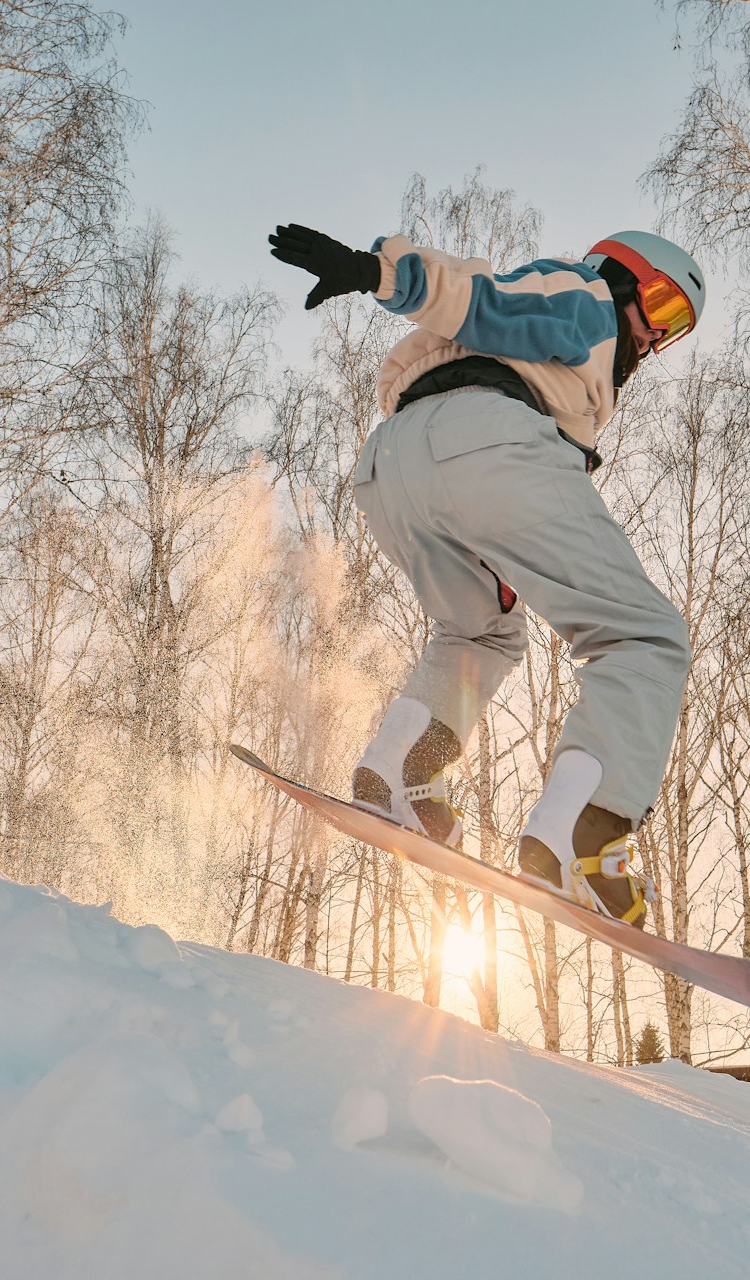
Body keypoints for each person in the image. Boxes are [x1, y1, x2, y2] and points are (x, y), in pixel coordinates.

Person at [267, 222, 705, 930]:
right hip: (485, 442)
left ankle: (402, 774)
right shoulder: (585, 298)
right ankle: (583, 836)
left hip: (394, 467)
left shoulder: (564, 368)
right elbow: (485, 298)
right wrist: (378, 272)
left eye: (677, 328)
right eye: (660, 306)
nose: (656, 337)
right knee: (643, 637)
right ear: (620, 273)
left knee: (481, 633)